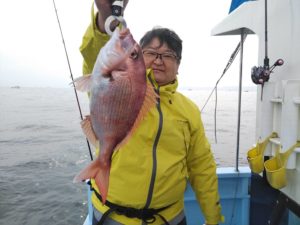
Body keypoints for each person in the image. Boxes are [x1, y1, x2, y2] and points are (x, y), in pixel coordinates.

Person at [79, 1, 224, 224]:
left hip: (169, 218)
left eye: (168, 55)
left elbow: (201, 167)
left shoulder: (189, 111)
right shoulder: (114, 78)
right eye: (150, 53)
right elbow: (95, 52)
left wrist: (215, 219)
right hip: (113, 217)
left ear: (178, 64)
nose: (158, 60)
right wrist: (106, 16)